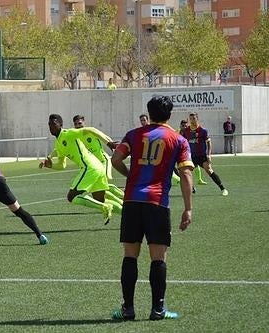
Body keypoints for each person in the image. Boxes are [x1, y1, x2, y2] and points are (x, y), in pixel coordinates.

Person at [111, 95, 194, 321]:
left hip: (131, 201)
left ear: (149, 112)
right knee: (158, 257)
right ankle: (158, 309)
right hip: (157, 203)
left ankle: (128, 309)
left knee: (130, 255)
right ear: (170, 114)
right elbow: (186, 173)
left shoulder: (134, 135)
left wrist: (130, 177)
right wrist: (188, 208)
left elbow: (115, 159)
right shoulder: (178, 139)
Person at [40, 114, 122, 224]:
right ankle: (129, 214)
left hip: (90, 167)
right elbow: (62, 165)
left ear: (60, 125)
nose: (51, 127)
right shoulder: (58, 144)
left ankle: (106, 207)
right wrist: (50, 166)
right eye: (49, 125)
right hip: (96, 168)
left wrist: (109, 143)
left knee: (72, 196)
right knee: (100, 199)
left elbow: (90, 130)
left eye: (54, 124)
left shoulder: (68, 133)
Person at [72, 114, 124, 203]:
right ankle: (121, 202)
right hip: (94, 166)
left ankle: (125, 197)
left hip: (103, 161)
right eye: (76, 124)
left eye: (79, 123)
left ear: (84, 122)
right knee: (100, 188)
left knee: (104, 183)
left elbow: (103, 136)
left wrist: (111, 144)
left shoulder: (90, 131)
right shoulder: (76, 136)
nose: (78, 126)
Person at [182, 113, 229, 196]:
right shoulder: (186, 131)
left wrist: (209, 154)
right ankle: (192, 188)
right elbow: (183, 142)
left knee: (209, 170)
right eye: (190, 118)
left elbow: (209, 142)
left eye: (193, 118)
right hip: (191, 156)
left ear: (197, 119)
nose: (191, 120)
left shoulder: (203, 131)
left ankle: (223, 189)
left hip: (202, 156)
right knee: (187, 172)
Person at [179, 119, 206, 186]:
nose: (184, 127)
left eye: (185, 125)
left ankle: (199, 180)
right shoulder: (179, 132)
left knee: (195, 166)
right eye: (183, 126)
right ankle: (186, 183)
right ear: (180, 126)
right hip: (182, 154)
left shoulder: (189, 131)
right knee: (185, 169)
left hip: (190, 152)